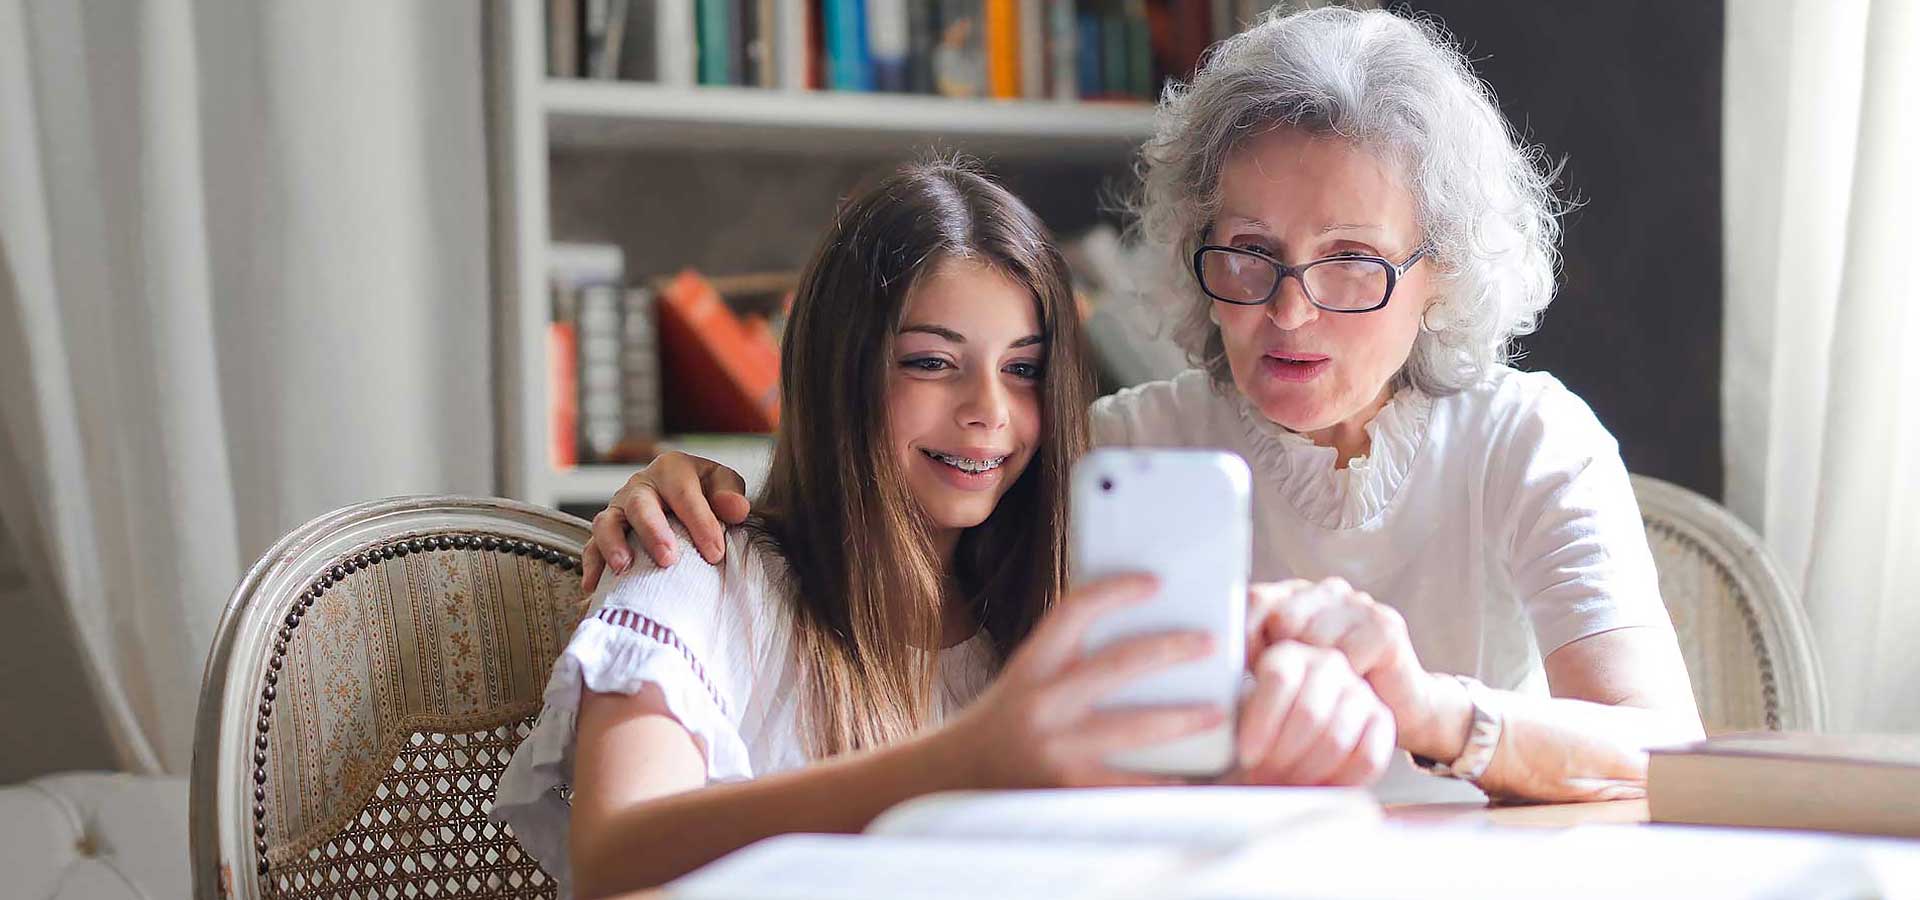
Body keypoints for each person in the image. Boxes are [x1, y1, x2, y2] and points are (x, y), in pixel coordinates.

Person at [581, 8, 1705, 805]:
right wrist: (688, 489)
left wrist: (1428, 710)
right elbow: (887, 538)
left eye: (1353, 264)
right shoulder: (1115, 452)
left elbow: (1663, 752)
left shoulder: (1528, 437)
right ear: (1190, 244)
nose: (1291, 313)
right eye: (1250, 254)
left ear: (1442, 274)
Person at [491, 161, 1394, 899]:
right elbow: (613, 856)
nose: (988, 414)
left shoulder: (1051, 614)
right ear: (839, 370)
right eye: (931, 362)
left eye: (1025, 370)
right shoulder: (697, 568)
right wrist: (968, 761)